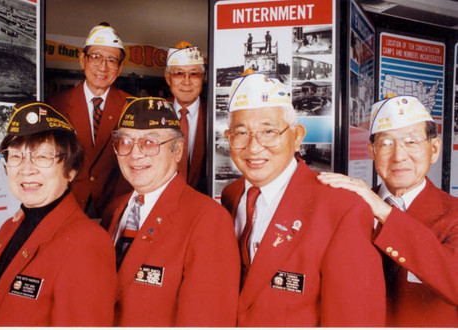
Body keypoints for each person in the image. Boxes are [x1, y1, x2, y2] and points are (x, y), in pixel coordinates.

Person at [221, 71, 385, 327]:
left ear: (297, 136)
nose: (253, 147)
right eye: (241, 133)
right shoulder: (231, 195)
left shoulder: (341, 208)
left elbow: (354, 319)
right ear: (228, 138)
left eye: (269, 131)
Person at [0, 102, 117, 326]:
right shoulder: (12, 226)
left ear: (71, 170)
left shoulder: (87, 243)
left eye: (42, 157)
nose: (26, 169)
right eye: (16, 156)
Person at [318, 95, 458, 327]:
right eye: (386, 143)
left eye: (411, 142)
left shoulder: (453, 213)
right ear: (372, 151)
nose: (399, 156)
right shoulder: (349, 209)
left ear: (434, 149)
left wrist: (384, 212)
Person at [104, 97, 239, 326]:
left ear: (177, 150)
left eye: (150, 142)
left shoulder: (208, 220)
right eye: (125, 141)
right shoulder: (113, 210)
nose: (135, 154)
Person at [49, 22, 133, 218]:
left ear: (120, 68)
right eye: (96, 57)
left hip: (116, 208)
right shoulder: (57, 104)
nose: (103, 67)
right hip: (68, 205)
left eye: (112, 60)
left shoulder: (131, 106)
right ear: (82, 60)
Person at [164, 41, 207, 193]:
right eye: (179, 73)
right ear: (168, 78)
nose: (187, 81)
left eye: (194, 74)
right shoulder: (156, 111)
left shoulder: (214, 115)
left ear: (203, 78)